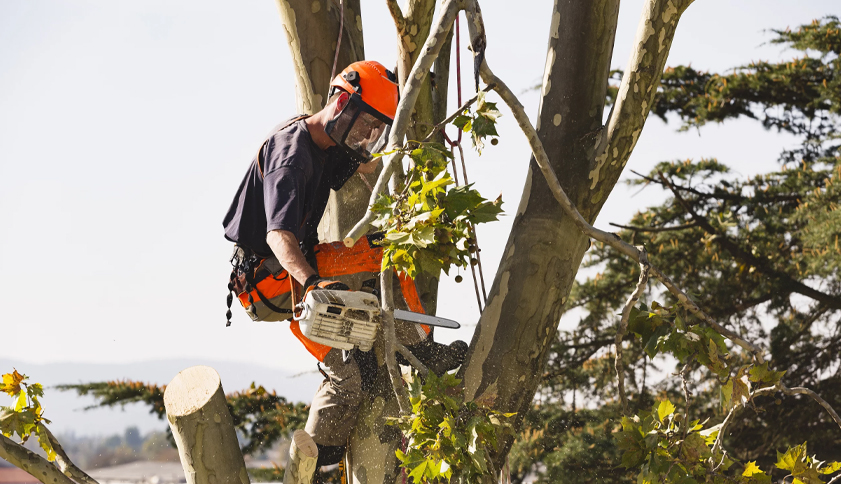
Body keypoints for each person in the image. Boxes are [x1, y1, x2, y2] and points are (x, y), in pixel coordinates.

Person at [222, 60, 467, 477]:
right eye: (367, 123)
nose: (368, 135)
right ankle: (417, 348)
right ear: (341, 102)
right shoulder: (292, 156)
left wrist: (411, 146)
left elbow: (370, 166)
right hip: (273, 278)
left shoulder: (327, 145)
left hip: (294, 271)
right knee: (377, 267)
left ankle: (325, 465)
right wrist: (315, 282)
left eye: (377, 127)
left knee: (354, 366)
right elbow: (279, 235)